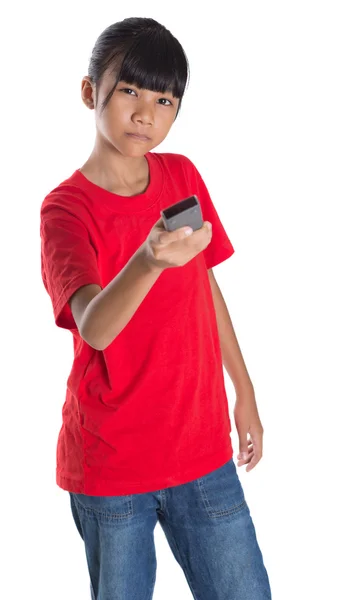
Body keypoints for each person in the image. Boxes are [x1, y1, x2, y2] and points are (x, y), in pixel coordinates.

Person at [40, 16, 272, 600]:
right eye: (130, 91)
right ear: (91, 91)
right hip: (112, 467)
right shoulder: (66, 210)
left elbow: (205, 285)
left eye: (165, 99)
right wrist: (146, 259)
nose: (147, 113)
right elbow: (94, 326)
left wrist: (243, 390)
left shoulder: (181, 176)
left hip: (202, 451)